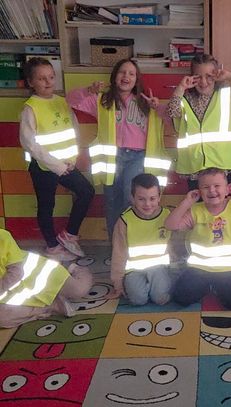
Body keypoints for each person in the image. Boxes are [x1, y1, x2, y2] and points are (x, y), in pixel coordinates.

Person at [66, 58, 171, 238]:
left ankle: (133, 242)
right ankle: (116, 245)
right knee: (112, 202)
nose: (126, 76)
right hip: (112, 159)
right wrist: (88, 91)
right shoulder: (103, 101)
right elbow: (70, 100)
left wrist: (158, 107)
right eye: (122, 72)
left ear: (137, 79)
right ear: (114, 76)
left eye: (131, 74)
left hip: (137, 157)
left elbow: (170, 118)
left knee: (131, 198)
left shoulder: (145, 102)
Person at [20, 57, 95, 262]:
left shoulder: (62, 101)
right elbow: (30, 144)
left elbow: (73, 130)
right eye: (42, 78)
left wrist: (72, 159)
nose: (48, 82)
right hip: (44, 167)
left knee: (86, 191)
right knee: (46, 206)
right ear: (31, 82)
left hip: (66, 163)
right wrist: (57, 165)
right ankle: (52, 247)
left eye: (51, 77)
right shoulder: (30, 108)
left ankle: (69, 234)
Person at [165, 168, 231, 310]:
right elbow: (170, 225)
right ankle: (210, 286)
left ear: (227, 190)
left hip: (229, 270)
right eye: (206, 187)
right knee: (181, 297)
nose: (212, 191)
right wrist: (187, 202)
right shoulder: (196, 210)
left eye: (217, 186)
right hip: (200, 269)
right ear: (199, 192)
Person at [167, 54, 231, 189]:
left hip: (222, 165)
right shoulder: (186, 100)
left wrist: (229, 76)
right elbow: (172, 111)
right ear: (191, 77)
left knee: (223, 201)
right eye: (198, 77)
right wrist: (181, 87)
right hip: (195, 167)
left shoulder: (227, 96)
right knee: (197, 202)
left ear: (216, 76)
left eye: (209, 76)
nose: (204, 82)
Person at [0, 228, 93, 328]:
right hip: (16, 294)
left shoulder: (3, 236)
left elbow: (16, 273)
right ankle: (51, 306)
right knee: (3, 319)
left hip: (43, 277)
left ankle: (74, 269)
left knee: (79, 290)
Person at [109, 173, 173, 306]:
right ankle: (143, 287)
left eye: (152, 198)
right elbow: (119, 253)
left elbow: (176, 247)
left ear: (159, 197)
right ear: (132, 198)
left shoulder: (168, 216)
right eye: (141, 199)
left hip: (159, 268)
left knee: (161, 298)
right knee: (138, 300)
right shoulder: (125, 220)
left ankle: (154, 287)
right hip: (134, 270)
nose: (147, 204)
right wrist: (118, 282)